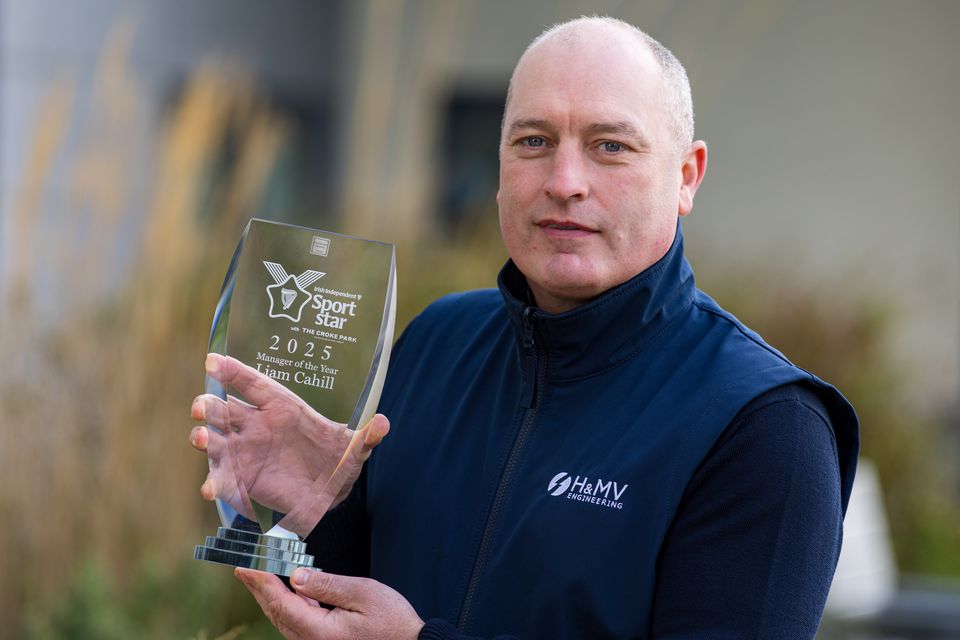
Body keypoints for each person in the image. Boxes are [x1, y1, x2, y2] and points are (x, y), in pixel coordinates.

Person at [190, 16, 858, 639]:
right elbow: (350, 603)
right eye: (533, 142)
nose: (565, 181)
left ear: (687, 176)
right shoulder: (435, 345)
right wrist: (310, 517)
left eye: (610, 146)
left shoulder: (766, 427)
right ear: (501, 168)